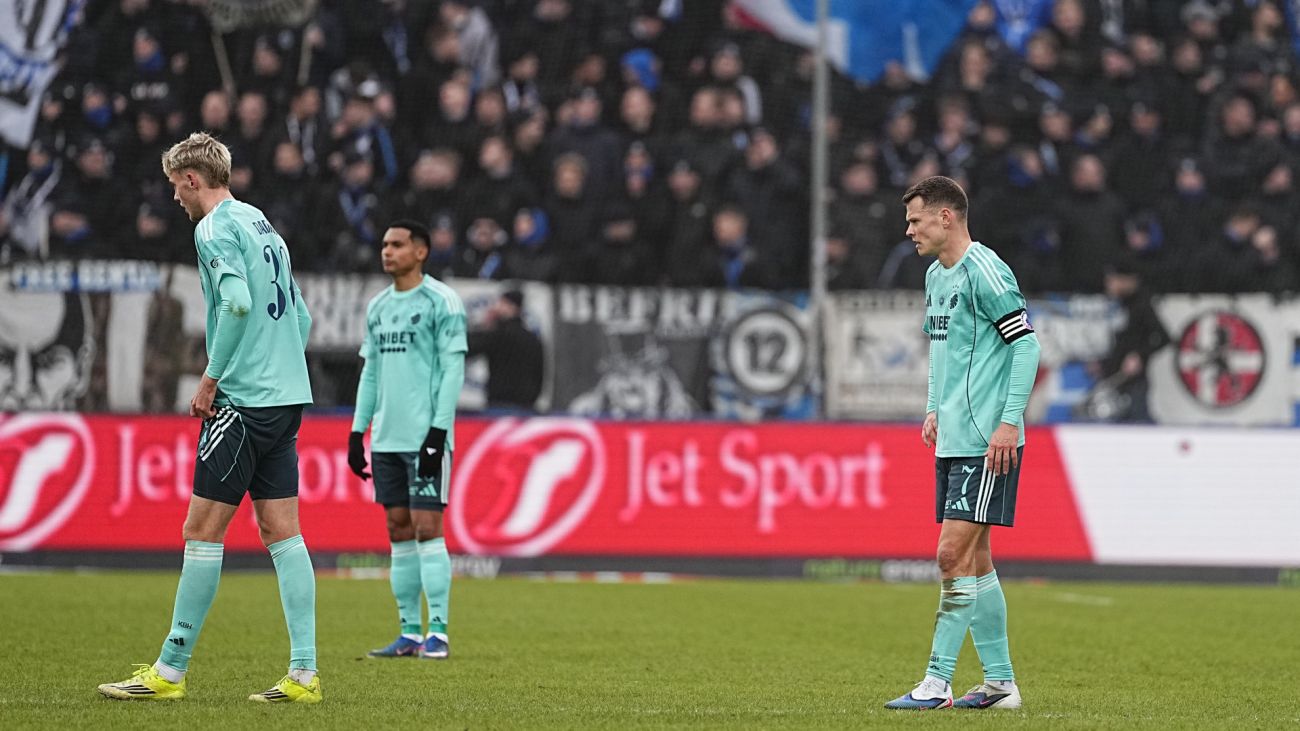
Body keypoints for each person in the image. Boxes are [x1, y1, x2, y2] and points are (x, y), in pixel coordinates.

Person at [98, 132, 320, 703]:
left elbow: (239, 303)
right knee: (282, 532)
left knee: (201, 530)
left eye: (176, 186)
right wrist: (284, 373)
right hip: (287, 398)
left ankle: (169, 671)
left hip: (243, 401)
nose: (175, 197)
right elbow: (302, 314)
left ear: (193, 179)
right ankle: (304, 675)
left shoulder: (214, 228)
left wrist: (211, 379)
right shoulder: (262, 223)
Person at [885, 176, 1041, 711]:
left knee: (950, 554)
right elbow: (942, 349)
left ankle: (936, 682)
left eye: (916, 219)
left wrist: (1009, 422)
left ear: (946, 217)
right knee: (976, 563)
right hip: (954, 437)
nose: (909, 230)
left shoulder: (986, 272)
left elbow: (1027, 347)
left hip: (987, 442)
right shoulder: (935, 277)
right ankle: (1000, 685)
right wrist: (933, 406)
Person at [347, 220, 467, 660]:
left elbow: (454, 370)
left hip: (425, 437)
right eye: (384, 244)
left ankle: (439, 631)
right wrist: (358, 431)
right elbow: (371, 372)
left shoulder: (443, 302)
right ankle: (409, 633)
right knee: (397, 529)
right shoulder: (378, 307)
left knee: (426, 527)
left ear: (421, 252)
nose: (387, 252)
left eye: (397, 244)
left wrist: (439, 430)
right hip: (387, 439)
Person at [467, 288, 544, 411]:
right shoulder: (533, 339)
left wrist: (485, 326)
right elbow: (540, 374)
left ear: (511, 307)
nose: (497, 307)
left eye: (501, 303)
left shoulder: (498, 335)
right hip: (527, 407)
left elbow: (469, 348)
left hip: (500, 404)